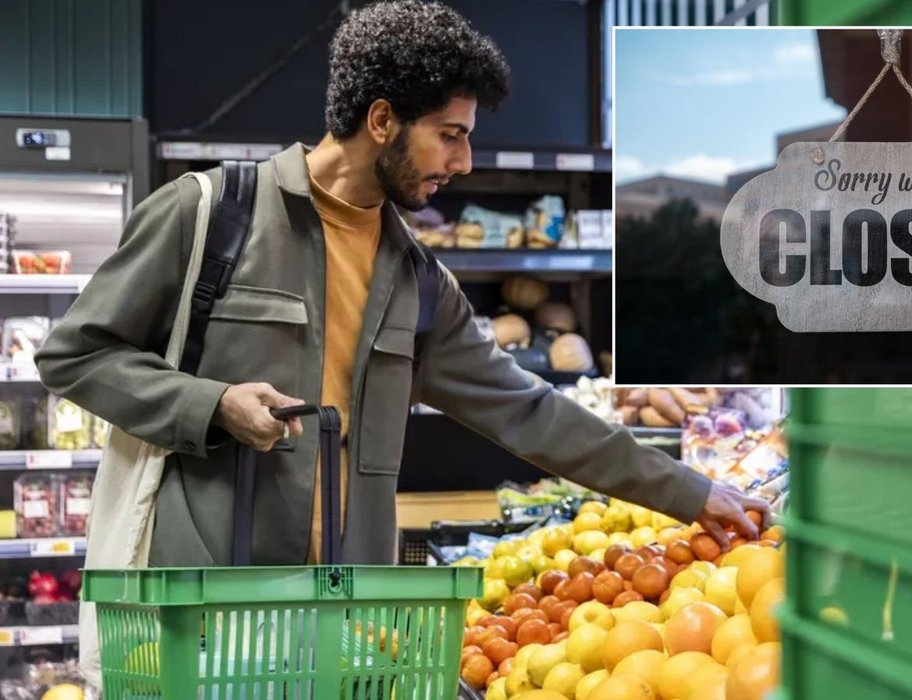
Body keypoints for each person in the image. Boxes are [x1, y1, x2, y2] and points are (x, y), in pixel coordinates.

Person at [35, 0, 767, 571]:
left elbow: (531, 412)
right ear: (381, 119)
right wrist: (211, 402)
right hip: (207, 599)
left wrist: (690, 492)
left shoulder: (416, 280)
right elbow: (76, 354)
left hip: (346, 610)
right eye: (450, 133)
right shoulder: (209, 215)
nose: (466, 159)